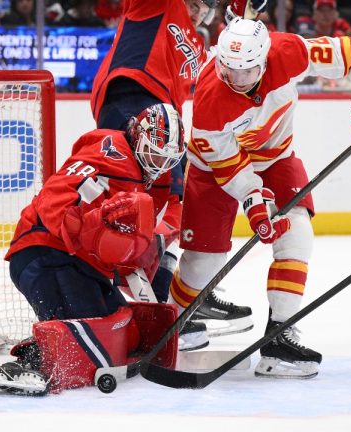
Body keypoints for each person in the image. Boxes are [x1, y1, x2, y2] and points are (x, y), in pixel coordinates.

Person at [172, 18, 351, 379]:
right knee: (203, 261)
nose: (238, 81)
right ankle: (172, 324)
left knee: (298, 235)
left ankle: (278, 335)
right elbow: (227, 165)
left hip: (277, 156)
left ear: (265, 57)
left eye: (248, 71)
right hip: (214, 170)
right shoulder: (210, 99)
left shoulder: (287, 51)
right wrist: (253, 200)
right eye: (230, 70)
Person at [91, 0, 268, 345]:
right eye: (196, 1)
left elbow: (236, 61)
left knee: (173, 205)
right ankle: (107, 292)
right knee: (126, 203)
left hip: (167, 123)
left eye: (206, 5)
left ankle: (171, 300)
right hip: (130, 98)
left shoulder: (201, 46)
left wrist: (245, 16)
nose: (200, 8)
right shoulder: (157, 6)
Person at [0, 102, 187, 396]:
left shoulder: (149, 178)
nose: (159, 164)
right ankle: (33, 360)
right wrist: (91, 224)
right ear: (138, 136)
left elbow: (125, 248)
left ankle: (55, 344)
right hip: (44, 252)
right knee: (96, 342)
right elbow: (53, 200)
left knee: (127, 333)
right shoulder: (108, 152)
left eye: (168, 159)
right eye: (155, 152)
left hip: (81, 264)